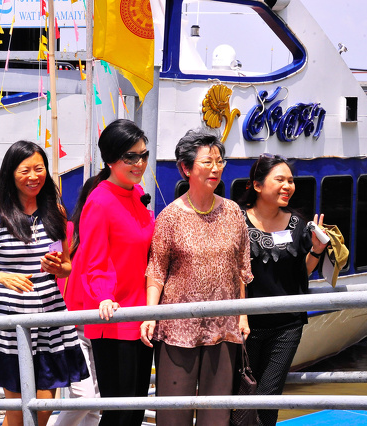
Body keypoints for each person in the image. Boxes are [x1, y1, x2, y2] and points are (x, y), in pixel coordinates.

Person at [0, 141, 88, 426]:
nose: (33, 176)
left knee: (44, 407)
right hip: (12, 324)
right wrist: (2, 276)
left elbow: (66, 267)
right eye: (25, 170)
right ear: (11, 173)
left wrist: (58, 267)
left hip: (52, 320)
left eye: (39, 169)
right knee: (18, 412)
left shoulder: (56, 211)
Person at [140, 130, 252, 426]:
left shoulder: (233, 213)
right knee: (173, 415)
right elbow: (156, 270)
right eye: (207, 162)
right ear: (186, 168)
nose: (216, 168)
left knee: (216, 416)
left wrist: (242, 315)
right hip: (177, 329)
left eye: (219, 161)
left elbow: (240, 270)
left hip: (224, 328)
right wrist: (150, 314)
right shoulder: (170, 217)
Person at [71, 119, 155, 426]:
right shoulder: (100, 201)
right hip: (115, 318)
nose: (139, 163)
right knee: (119, 414)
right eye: (130, 157)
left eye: (143, 155)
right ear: (110, 159)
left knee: (135, 412)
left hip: (142, 317)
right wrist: (104, 297)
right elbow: (95, 260)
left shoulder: (137, 194)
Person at [235, 153, 328, 426]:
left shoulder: (297, 223)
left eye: (291, 180)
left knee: (268, 396)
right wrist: (241, 315)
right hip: (246, 326)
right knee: (240, 397)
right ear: (257, 185)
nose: (288, 186)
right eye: (280, 180)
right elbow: (235, 272)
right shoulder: (236, 221)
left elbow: (301, 272)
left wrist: (316, 250)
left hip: (287, 326)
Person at [53, 176, 101, 426]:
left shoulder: (112, 233)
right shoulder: (69, 230)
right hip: (72, 324)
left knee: (96, 402)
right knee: (84, 397)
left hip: (103, 324)